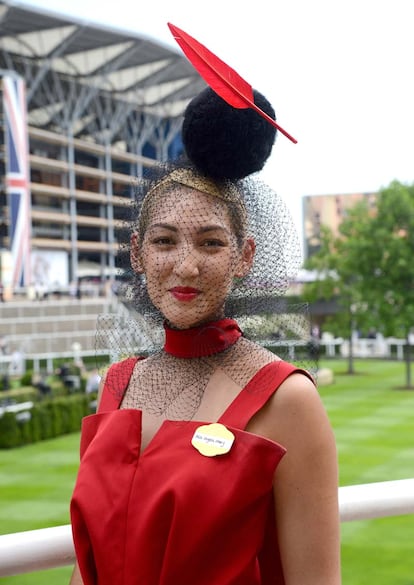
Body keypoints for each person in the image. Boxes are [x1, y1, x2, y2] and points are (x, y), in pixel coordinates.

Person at [69, 40, 340, 585]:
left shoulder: (287, 397)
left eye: (211, 244)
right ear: (137, 253)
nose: (185, 266)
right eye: (165, 241)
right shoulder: (117, 384)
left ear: (244, 257)